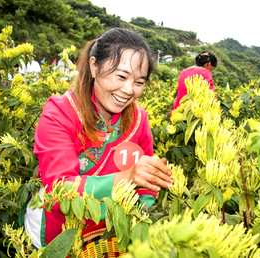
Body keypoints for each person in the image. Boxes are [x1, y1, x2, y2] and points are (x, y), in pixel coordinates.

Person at [24, 28, 173, 253]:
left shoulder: (139, 120)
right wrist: (127, 177)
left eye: (139, 82)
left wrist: (138, 218)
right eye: (121, 76)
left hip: (110, 236)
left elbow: (146, 182)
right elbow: (60, 187)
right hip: (59, 235)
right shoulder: (59, 113)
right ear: (94, 66)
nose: (128, 90)